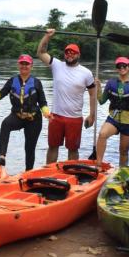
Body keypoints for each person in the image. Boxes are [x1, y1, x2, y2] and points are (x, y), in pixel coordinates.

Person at [37, 29, 95, 163]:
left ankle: (72, 174)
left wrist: (92, 115)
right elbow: (40, 53)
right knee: (52, 147)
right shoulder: (56, 65)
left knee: (73, 149)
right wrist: (47, 36)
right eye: (67, 52)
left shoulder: (86, 73)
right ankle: (49, 173)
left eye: (73, 52)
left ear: (78, 55)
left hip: (74, 118)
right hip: (56, 116)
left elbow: (92, 95)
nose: (69, 54)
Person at [0, 54, 51, 171]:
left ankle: (28, 172)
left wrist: (46, 113)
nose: (24, 66)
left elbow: (43, 102)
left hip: (34, 119)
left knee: (29, 148)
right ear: (18, 65)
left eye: (27, 64)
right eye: (22, 63)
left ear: (31, 66)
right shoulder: (12, 81)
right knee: (5, 124)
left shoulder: (37, 82)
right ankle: (2, 157)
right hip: (17, 116)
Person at [95, 57, 129, 167]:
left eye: (124, 66)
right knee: (102, 134)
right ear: (116, 68)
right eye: (119, 66)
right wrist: (98, 88)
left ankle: (122, 172)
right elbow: (102, 101)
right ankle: (98, 165)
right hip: (114, 118)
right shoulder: (111, 83)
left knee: (123, 151)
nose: (122, 68)